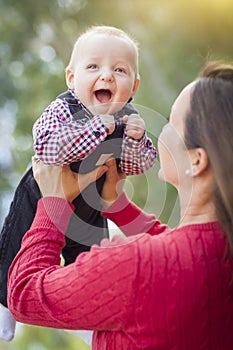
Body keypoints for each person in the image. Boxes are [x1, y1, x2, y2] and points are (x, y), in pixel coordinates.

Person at [7, 61, 233, 349]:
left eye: (168, 122)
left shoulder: (134, 267)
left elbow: (24, 294)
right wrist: (116, 205)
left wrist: (53, 203)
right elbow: (182, 255)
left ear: (196, 160)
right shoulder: (220, 253)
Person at [0, 25, 157, 340]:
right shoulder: (62, 109)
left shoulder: (127, 119)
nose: (107, 76)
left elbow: (134, 166)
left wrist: (136, 143)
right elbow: (45, 145)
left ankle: (88, 319)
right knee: (15, 242)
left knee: (92, 263)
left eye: (120, 70)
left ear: (134, 86)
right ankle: (4, 302)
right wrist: (99, 127)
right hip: (42, 194)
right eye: (93, 66)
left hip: (91, 204)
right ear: (72, 79)